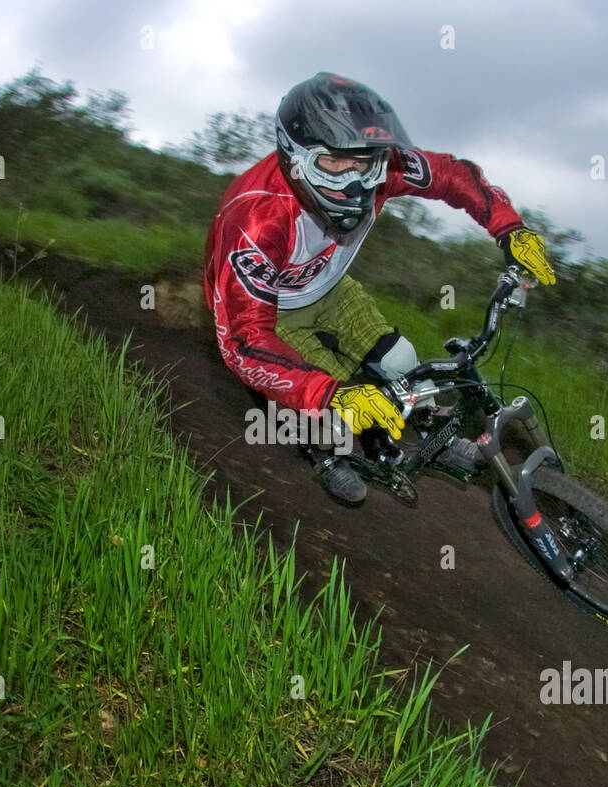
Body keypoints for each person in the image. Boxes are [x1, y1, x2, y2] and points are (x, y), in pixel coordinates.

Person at [203, 71, 556, 503]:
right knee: (334, 407)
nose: (354, 183)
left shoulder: (382, 167)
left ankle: (436, 439)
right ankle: (325, 455)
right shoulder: (255, 219)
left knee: (402, 360)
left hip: (329, 286)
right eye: (332, 164)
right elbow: (243, 339)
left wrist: (509, 229)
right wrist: (327, 394)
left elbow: (450, 174)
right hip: (271, 314)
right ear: (295, 158)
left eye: (362, 163)